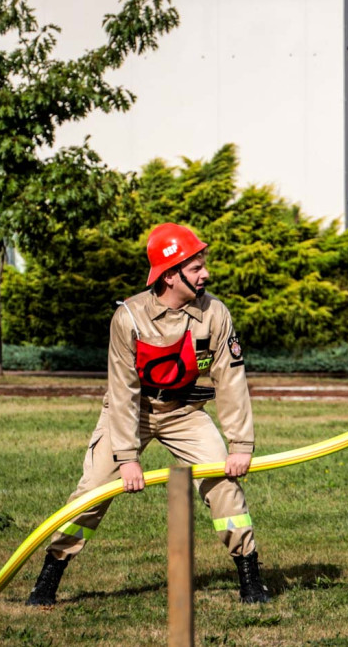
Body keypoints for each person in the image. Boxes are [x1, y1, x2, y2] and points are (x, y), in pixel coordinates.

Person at [26, 223, 270, 606]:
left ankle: (251, 578)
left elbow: (232, 381)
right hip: (132, 414)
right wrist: (126, 458)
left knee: (224, 486)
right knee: (90, 494)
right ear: (170, 275)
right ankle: (49, 578)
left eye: (203, 265)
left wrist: (240, 445)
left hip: (184, 413)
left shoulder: (216, 314)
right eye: (195, 268)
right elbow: (122, 393)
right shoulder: (129, 318)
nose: (205, 273)